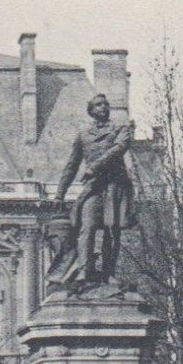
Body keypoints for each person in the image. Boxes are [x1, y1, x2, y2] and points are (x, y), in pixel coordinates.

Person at [50, 94, 138, 288]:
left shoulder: (120, 129)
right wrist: (59, 194)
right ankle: (85, 269)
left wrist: (94, 166)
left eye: (106, 104)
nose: (103, 107)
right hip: (94, 187)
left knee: (111, 230)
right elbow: (71, 166)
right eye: (98, 105)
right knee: (87, 226)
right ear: (91, 110)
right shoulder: (83, 135)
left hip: (115, 185)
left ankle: (109, 273)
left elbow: (119, 148)